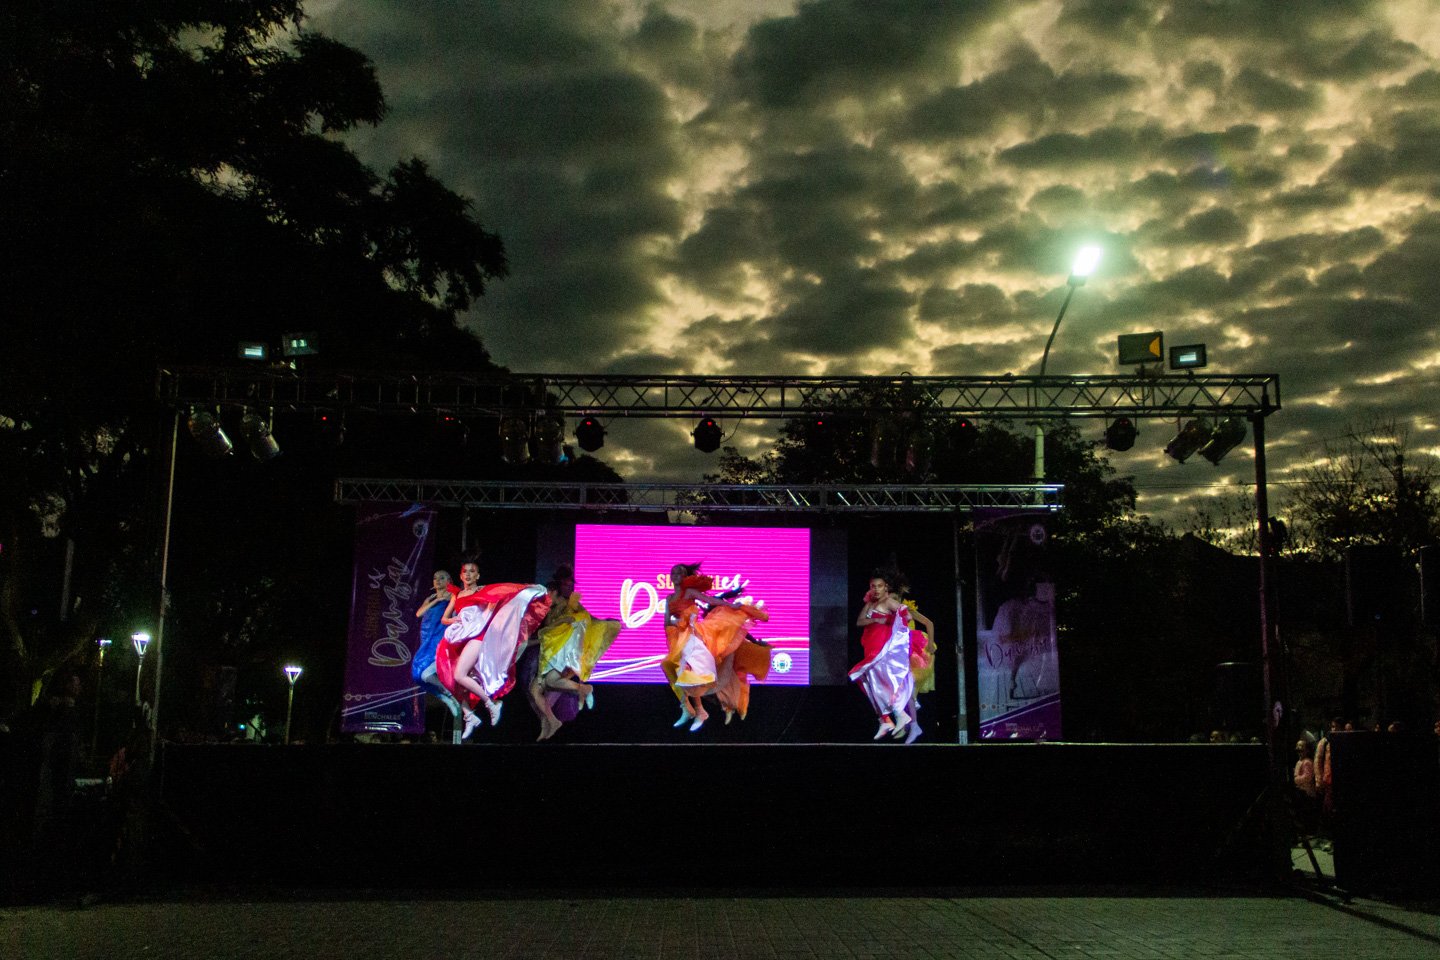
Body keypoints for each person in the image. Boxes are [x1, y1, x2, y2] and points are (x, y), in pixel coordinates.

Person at [437, 559, 551, 738]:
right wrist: (454, 619)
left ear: (478, 575)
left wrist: (525, 591)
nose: (468, 574)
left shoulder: (483, 591)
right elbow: (444, 619)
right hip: (461, 637)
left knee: (459, 674)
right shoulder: (456, 595)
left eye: (472, 571)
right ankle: (469, 716)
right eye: (465, 571)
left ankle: (492, 703)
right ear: (461, 575)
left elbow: (502, 596)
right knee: (453, 680)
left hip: (478, 637)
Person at [661, 563, 769, 731]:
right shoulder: (669, 599)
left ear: (685, 577)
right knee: (671, 667)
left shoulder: (689, 592)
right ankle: (691, 709)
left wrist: (731, 605)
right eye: (673, 572)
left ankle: (694, 709)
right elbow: (667, 621)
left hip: (693, 635)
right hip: (678, 637)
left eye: (679, 573)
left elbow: (711, 600)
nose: (675, 575)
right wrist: (676, 622)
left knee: (687, 672)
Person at [524, 565, 621, 741]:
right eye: (566, 585)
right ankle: (551, 723)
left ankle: (556, 720)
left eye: (571, 585)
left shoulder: (572, 605)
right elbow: (545, 628)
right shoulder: (552, 603)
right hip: (549, 653)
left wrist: (606, 623)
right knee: (536, 692)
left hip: (563, 656)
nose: (569, 588)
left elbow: (588, 620)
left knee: (546, 689)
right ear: (558, 586)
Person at [849, 569, 928, 741]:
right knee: (868, 682)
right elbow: (860, 621)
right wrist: (876, 620)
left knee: (890, 682)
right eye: (873, 586)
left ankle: (901, 716)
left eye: (879, 586)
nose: (876, 589)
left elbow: (906, 615)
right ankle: (885, 719)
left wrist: (894, 623)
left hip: (883, 650)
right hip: (871, 649)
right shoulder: (870, 604)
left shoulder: (888, 601)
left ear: (886, 587)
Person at [413, 568, 462, 736]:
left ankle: (450, 696)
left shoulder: (453, 597)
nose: (438, 580)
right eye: (435, 578)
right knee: (418, 676)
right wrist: (436, 600)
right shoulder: (431, 598)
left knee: (426, 674)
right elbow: (419, 613)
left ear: (449, 581)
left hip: (439, 639)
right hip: (426, 639)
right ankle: (446, 697)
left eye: (442, 578)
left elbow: (455, 616)